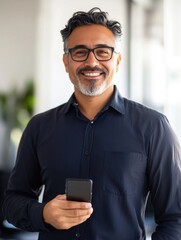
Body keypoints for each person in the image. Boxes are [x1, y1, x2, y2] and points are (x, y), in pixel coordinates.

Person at [2, 7, 181, 240]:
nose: (92, 61)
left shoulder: (153, 127)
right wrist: (43, 213)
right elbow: (12, 202)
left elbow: (175, 218)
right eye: (80, 52)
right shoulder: (39, 127)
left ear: (117, 61)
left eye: (102, 52)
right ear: (66, 62)